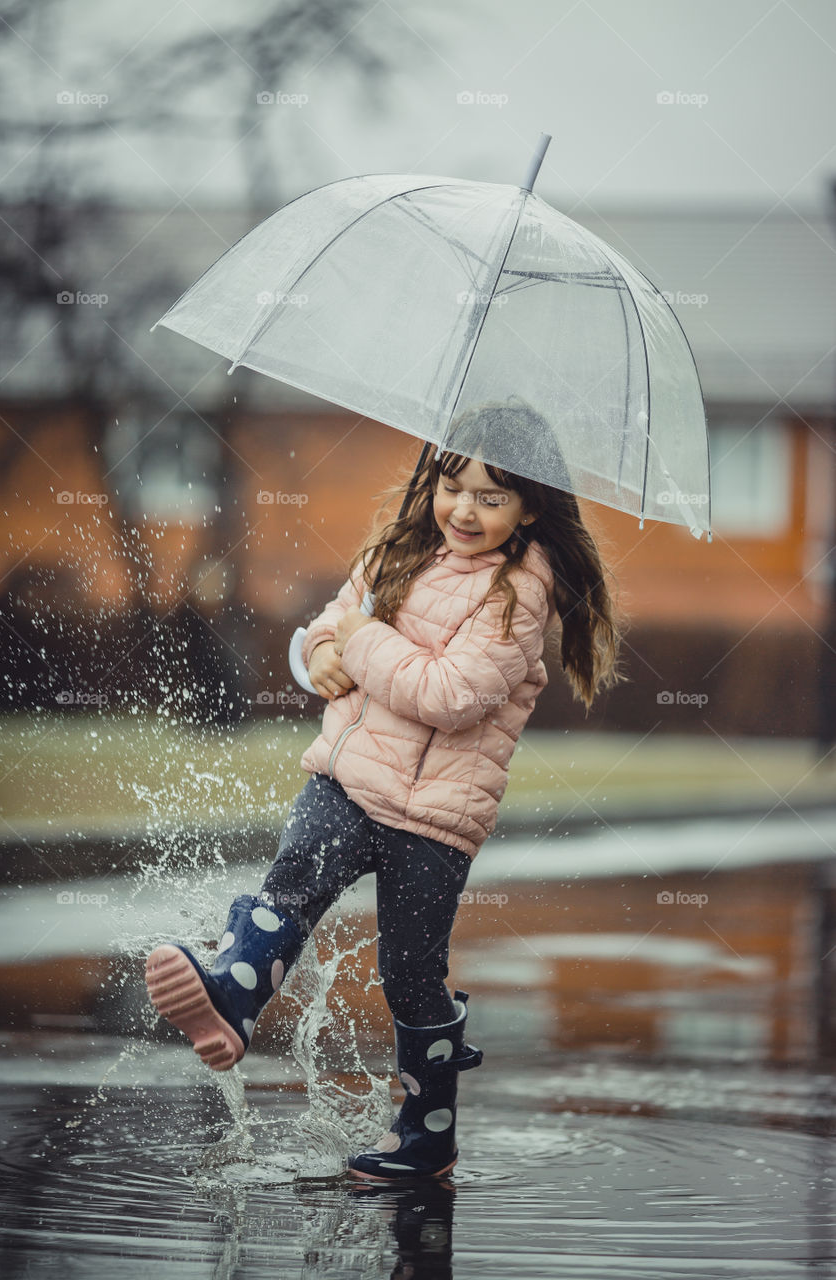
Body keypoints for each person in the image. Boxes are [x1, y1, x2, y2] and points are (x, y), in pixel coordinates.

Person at [145, 401, 625, 1181]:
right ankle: (232, 997)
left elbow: (449, 695)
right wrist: (320, 655)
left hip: (434, 817)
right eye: (451, 487)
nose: (462, 510)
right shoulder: (396, 549)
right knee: (292, 880)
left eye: (490, 497)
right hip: (347, 777)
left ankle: (426, 1135)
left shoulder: (517, 595)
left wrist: (361, 641)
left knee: (408, 972)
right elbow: (332, 622)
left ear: (530, 508)